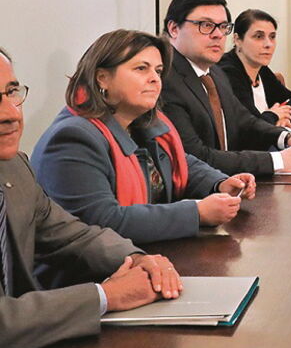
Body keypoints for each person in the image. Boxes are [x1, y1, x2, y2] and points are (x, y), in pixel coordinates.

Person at [0, 47, 182, 348]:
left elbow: (74, 235)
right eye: (141, 68)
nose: (12, 113)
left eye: (11, 92)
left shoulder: (14, 165)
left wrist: (138, 259)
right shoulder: (74, 134)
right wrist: (106, 296)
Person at [31, 30, 257, 245]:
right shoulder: (72, 139)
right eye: (141, 69)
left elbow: (179, 162)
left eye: (158, 71)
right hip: (88, 277)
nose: (155, 79)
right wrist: (196, 213)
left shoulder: (140, 123)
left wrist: (219, 183)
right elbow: (104, 222)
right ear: (102, 78)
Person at [160, 0, 291, 176]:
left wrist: (287, 138)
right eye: (206, 25)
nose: (218, 34)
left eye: (223, 26)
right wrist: (279, 160)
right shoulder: (164, 80)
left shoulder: (214, 73)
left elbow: (244, 122)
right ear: (174, 29)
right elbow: (196, 157)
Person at [218, 9, 291, 127]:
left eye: (272, 37)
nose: (268, 44)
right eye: (259, 36)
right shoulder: (227, 72)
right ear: (237, 40)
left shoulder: (260, 68)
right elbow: (249, 125)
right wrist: (274, 116)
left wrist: (281, 118)